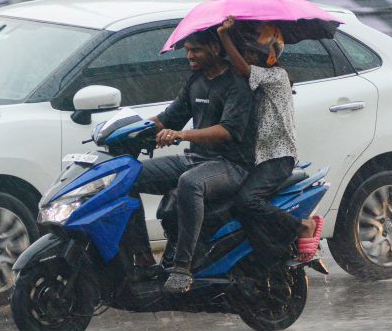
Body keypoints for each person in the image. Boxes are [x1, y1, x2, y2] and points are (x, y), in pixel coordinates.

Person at [125, 28, 256, 293]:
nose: (189, 55)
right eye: (187, 50)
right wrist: (126, 130)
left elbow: (227, 131)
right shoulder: (196, 80)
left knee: (190, 183)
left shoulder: (237, 84)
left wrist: (181, 134)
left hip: (232, 165)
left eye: (195, 50)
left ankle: (183, 267)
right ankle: (142, 258)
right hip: (195, 158)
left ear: (216, 49)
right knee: (127, 176)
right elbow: (167, 118)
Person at [217, 16, 322, 263]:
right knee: (236, 206)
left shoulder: (276, 76)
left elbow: (243, 68)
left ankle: (301, 226)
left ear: (271, 56)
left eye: (254, 54)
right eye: (247, 53)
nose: (249, 58)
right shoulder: (264, 79)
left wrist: (224, 36)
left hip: (278, 156)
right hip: (263, 156)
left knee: (247, 201)